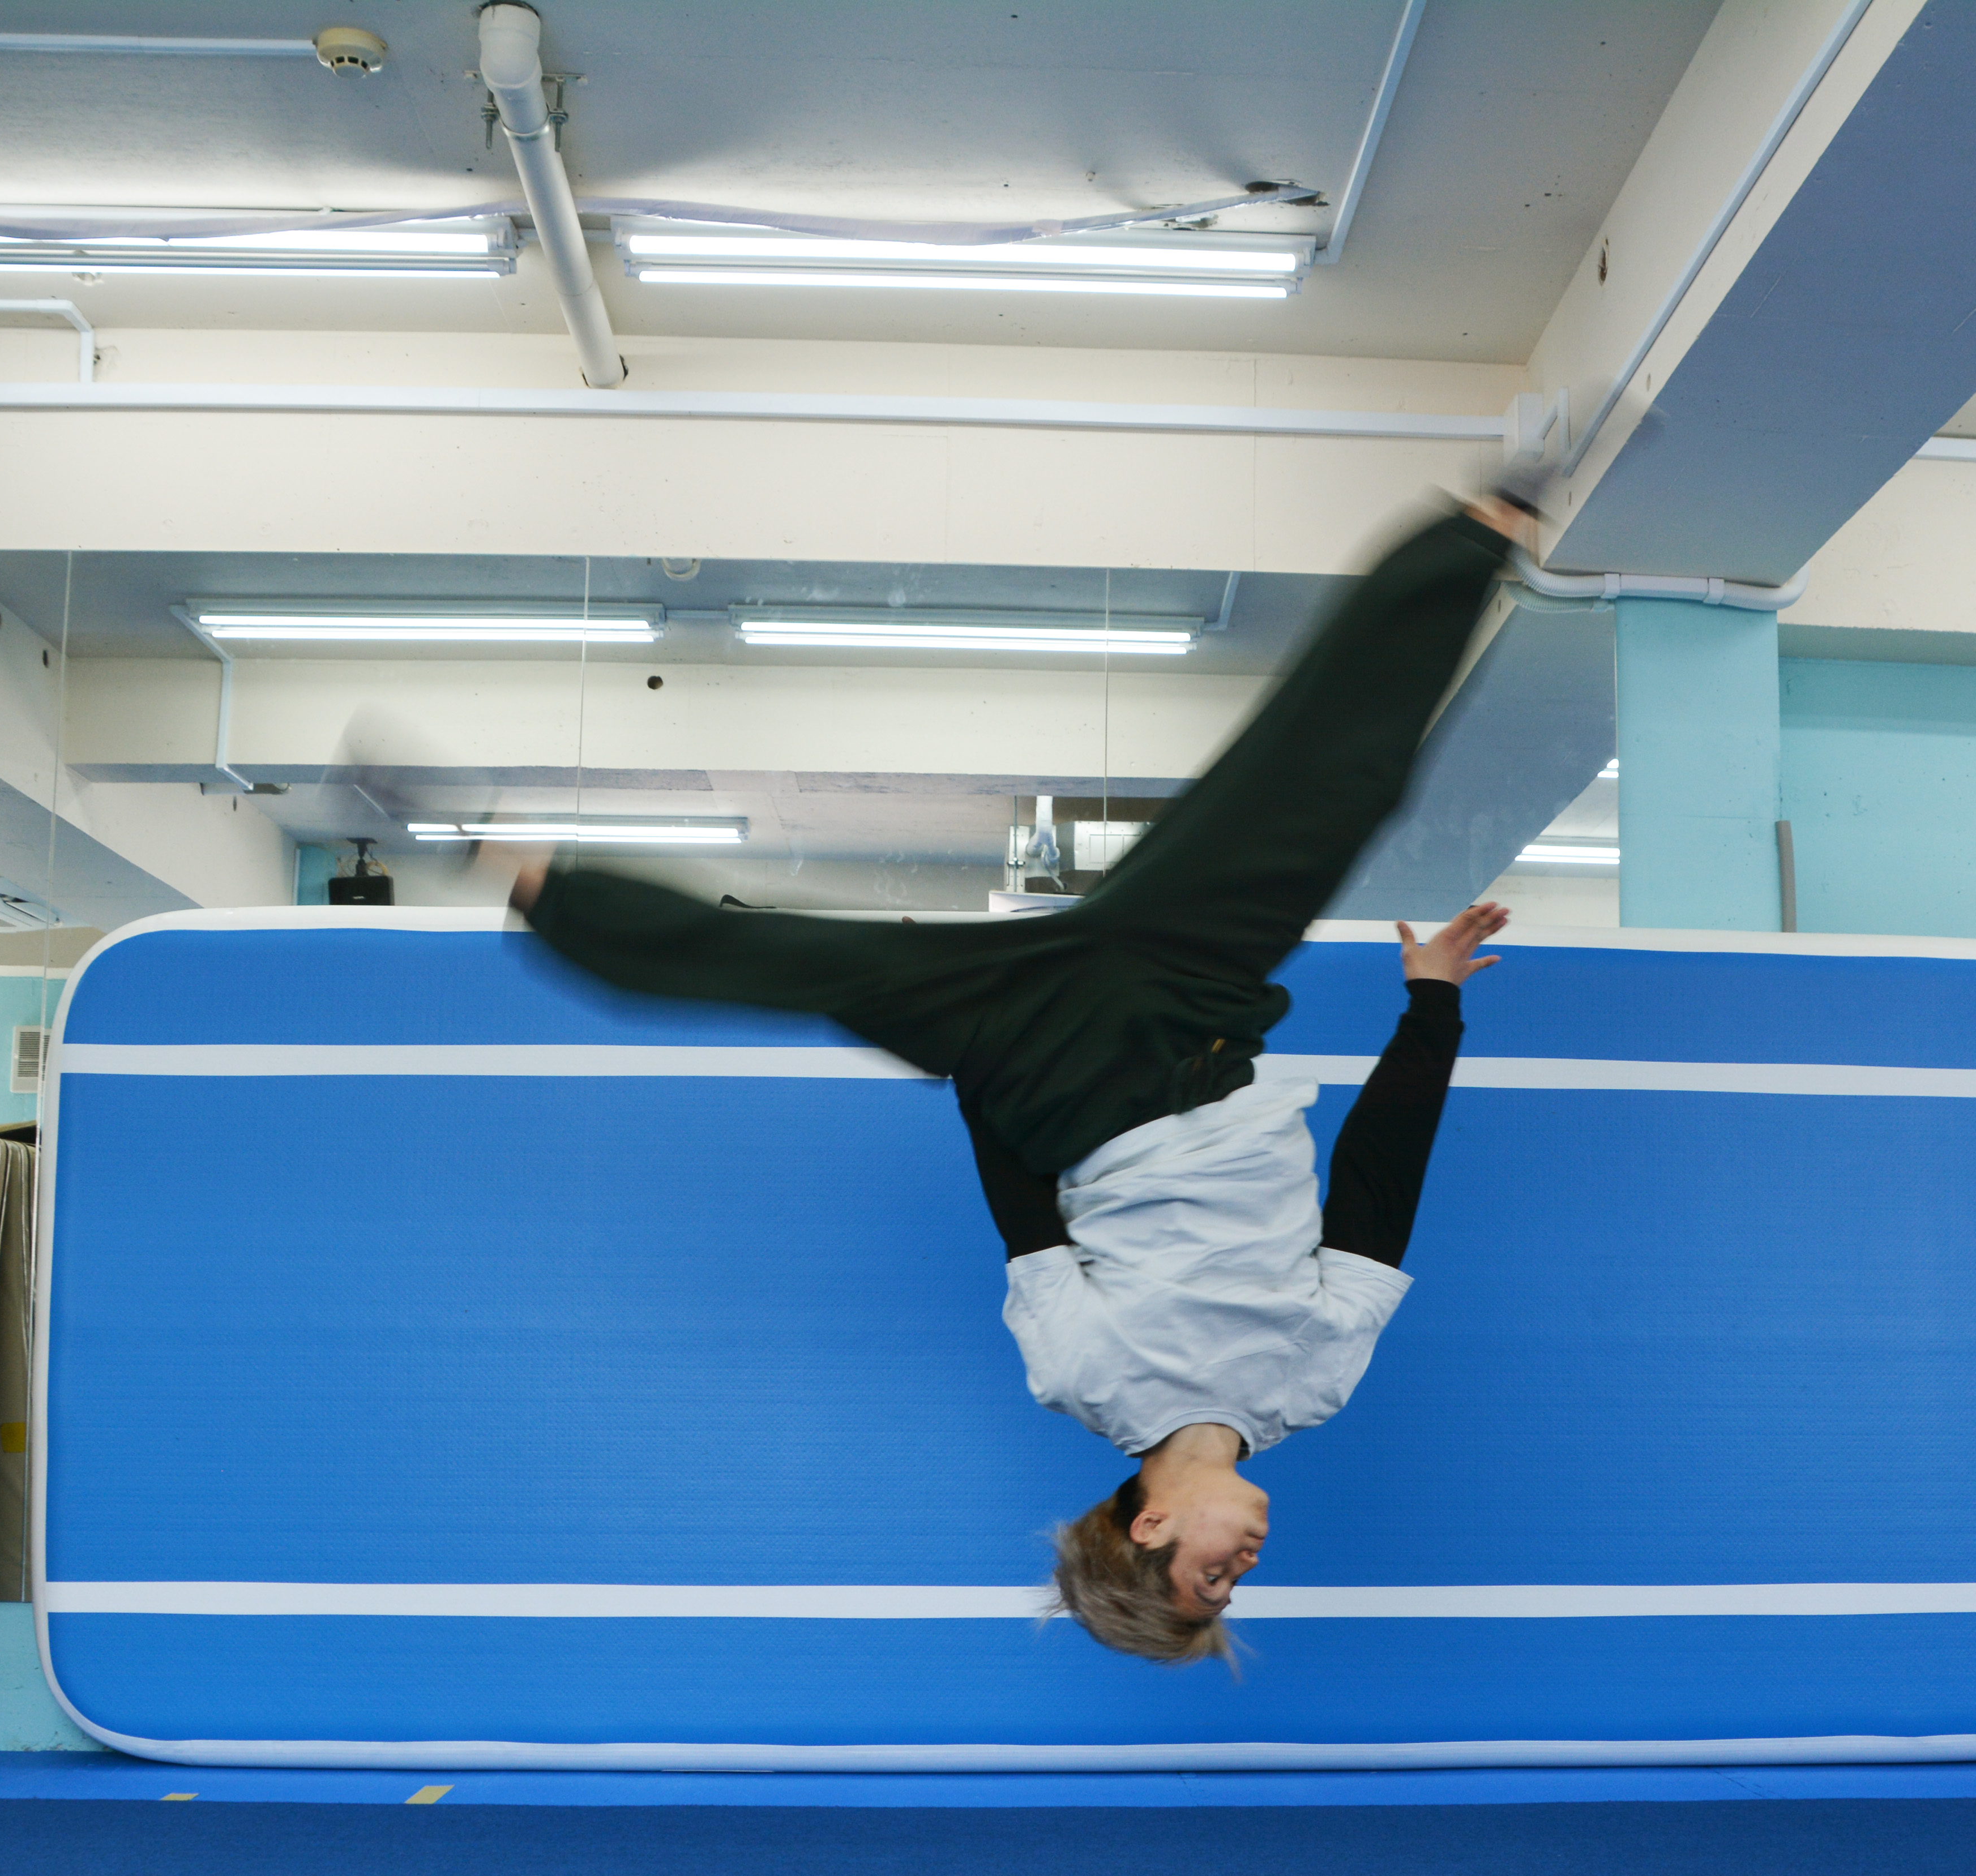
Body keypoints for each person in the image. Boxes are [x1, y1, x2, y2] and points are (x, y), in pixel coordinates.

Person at [497, 494, 1530, 1664]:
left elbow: (1023, 1205)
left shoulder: (1085, 1377)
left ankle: (551, 895)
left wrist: (970, 1022)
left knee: (808, 968)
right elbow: (1379, 1192)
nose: (1241, 1571)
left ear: (1150, 1528)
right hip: (1198, 1011)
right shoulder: (1313, 1384)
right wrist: (1432, 1003)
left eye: (1209, 1583)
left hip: (1065, 1068)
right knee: (1338, 796)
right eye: (1234, 1593)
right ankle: (1471, 538)